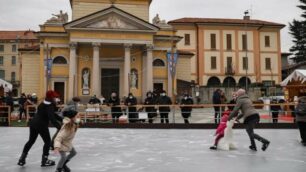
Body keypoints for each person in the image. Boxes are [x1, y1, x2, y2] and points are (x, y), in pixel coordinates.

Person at [17, 90, 62, 167]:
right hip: (41, 124)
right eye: (55, 97)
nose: (56, 98)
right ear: (51, 97)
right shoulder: (50, 105)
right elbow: (52, 118)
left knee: (31, 141)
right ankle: (44, 160)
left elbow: (52, 114)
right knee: (47, 142)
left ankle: (22, 158)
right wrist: (60, 127)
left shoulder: (43, 103)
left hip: (33, 123)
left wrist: (62, 119)